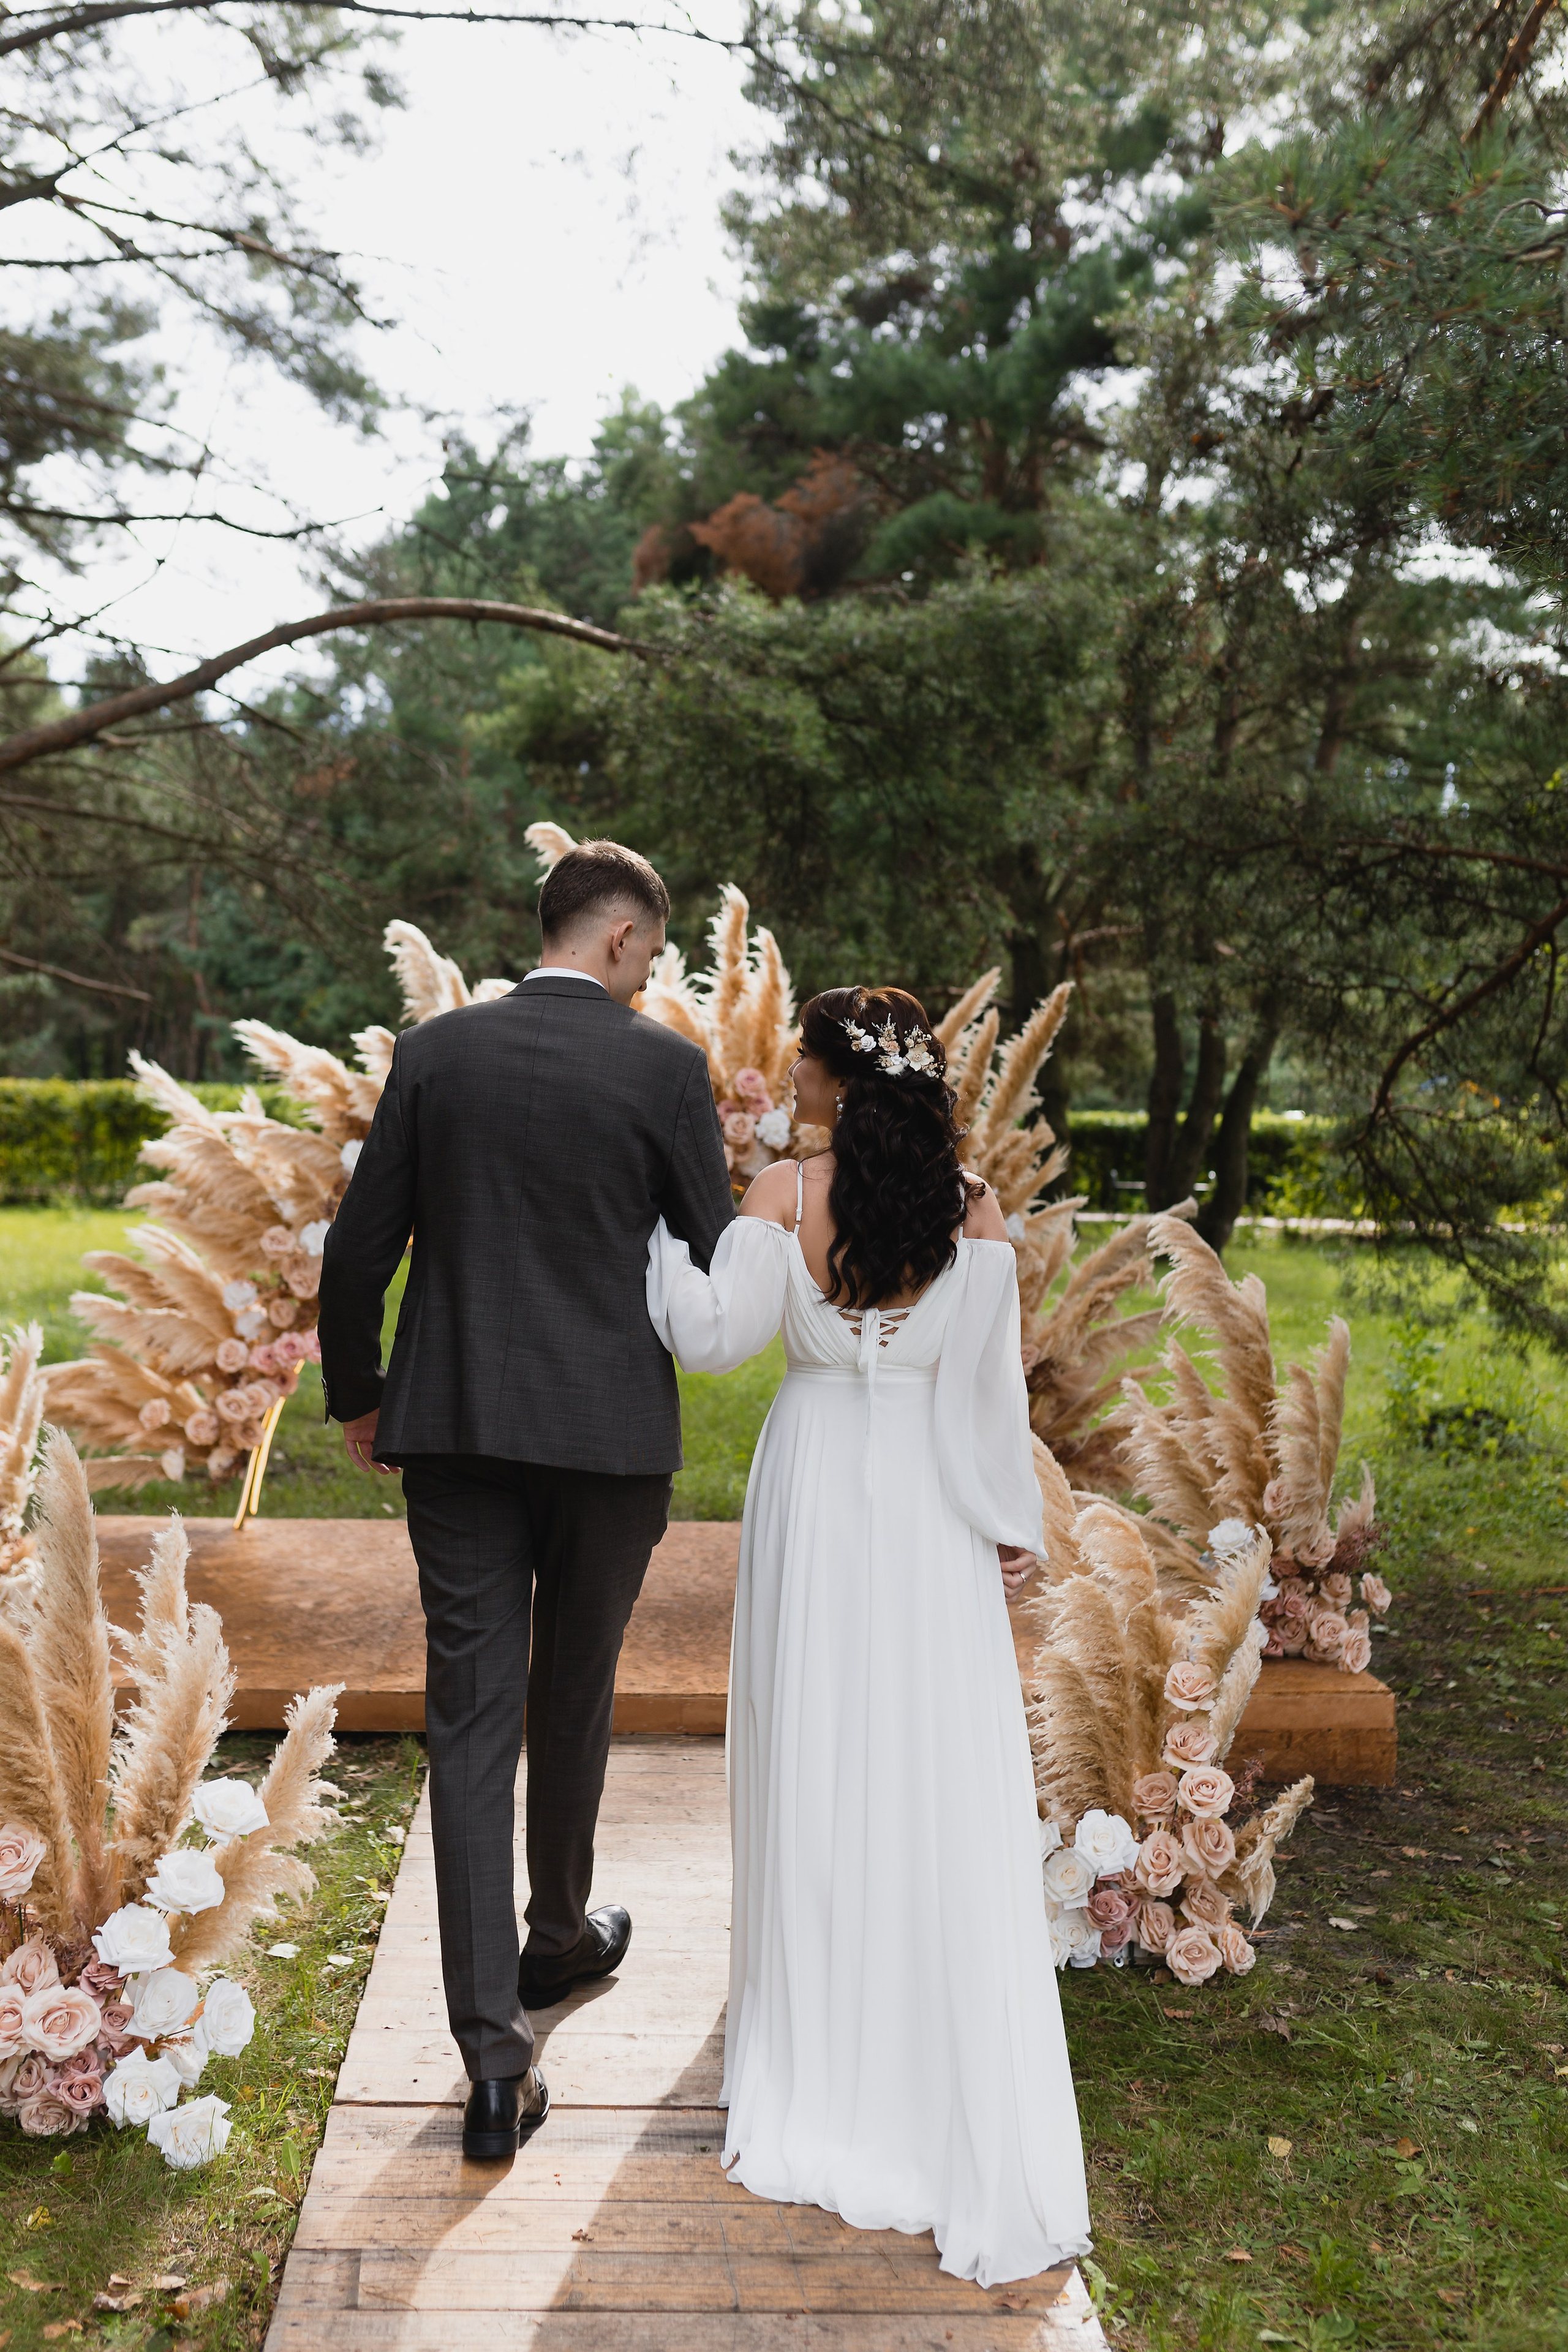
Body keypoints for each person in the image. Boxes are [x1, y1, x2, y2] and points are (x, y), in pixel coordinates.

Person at [646, 985, 1091, 2288]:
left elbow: (712, 1340)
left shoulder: (785, 1195)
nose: (789, 1072)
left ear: (838, 1077)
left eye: (804, 1056)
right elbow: (987, 1391)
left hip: (816, 1488)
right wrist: (1004, 1519)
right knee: (923, 1765)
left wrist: (658, 1242)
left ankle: (813, 2045)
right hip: (930, 1509)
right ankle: (913, 2039)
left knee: (812, 1750)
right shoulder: (974, 1212)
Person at [317, 839, 734, 2160]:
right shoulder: (665, 1068)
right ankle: (555, 1936)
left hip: (453, 1427)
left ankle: (494, 2060)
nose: (652, 975)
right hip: (610, 1440)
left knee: (470, 1719)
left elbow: (359, 1247)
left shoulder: (435, 1054)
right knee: (575, 1690)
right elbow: (718, 1250)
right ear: (619, 937)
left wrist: (360, 1394)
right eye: (653, 953)